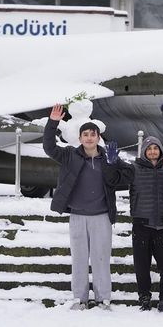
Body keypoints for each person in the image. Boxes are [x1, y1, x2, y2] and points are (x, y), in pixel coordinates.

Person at [43, 104, 133, 311]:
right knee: (80, 259)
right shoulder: (69, 155)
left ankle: (104, 298)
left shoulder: (109, 156)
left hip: (101, 216)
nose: (89, 138)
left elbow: (129, 174)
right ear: (80, 137)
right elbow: (49, 147)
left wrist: (112, 165)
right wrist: (52, 123)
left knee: (101, 259)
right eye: (86, 134)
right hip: (77, 216)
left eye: (93, 134)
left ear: (98, 137)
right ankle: (79, 298)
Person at [122, 136, 163, 312]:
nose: (153, 151)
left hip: (161, 225)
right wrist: (111, 161)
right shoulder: (134, 168)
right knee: (142, 264)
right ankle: (144, 298)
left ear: (161, 151)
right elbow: (115, 175)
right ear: (144, 151)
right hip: (141, 224)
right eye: (149, 148)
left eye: (156, 148)